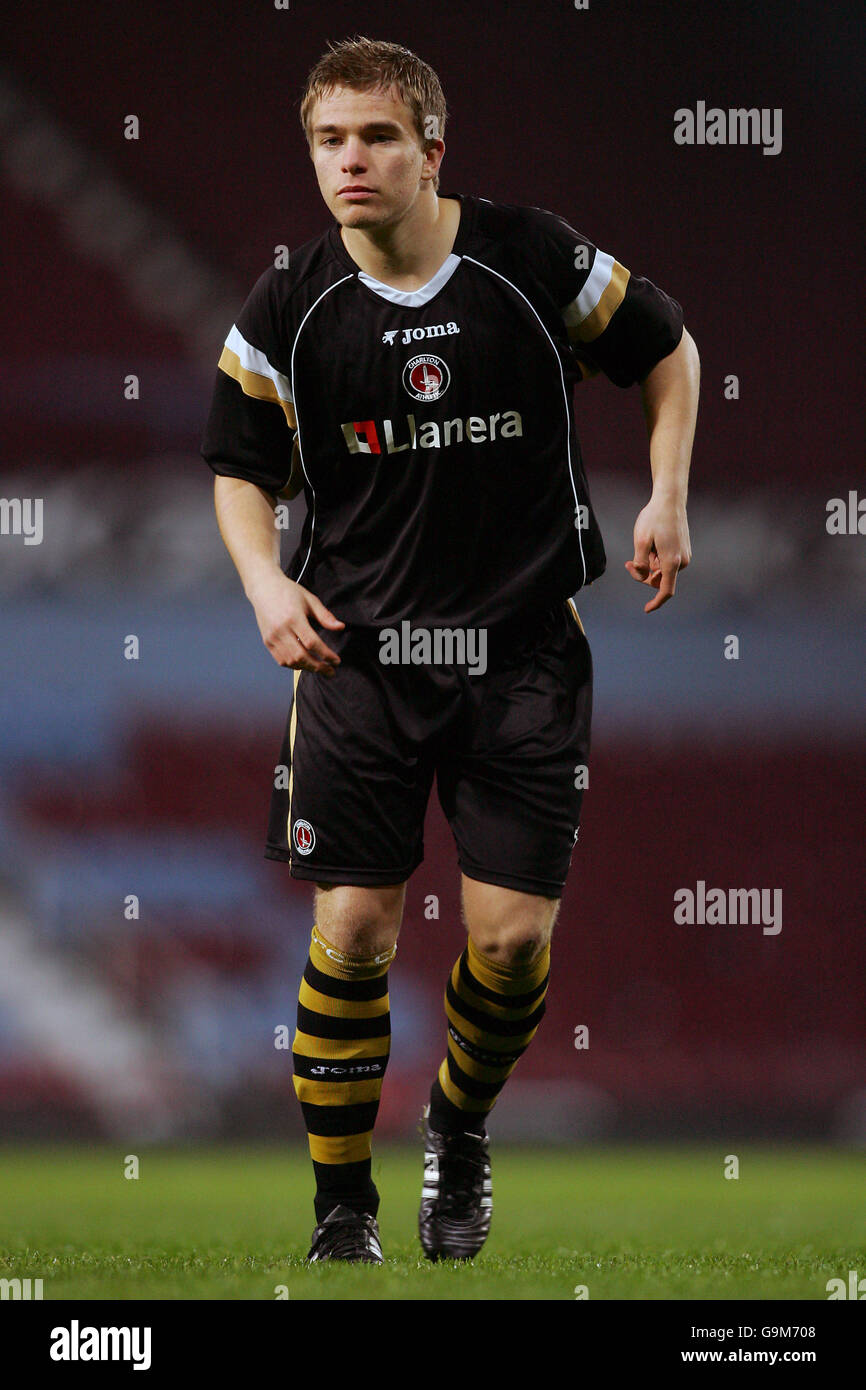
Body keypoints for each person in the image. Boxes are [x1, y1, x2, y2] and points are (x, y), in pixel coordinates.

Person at [201, 35, 699, 1265]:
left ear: (432, 149)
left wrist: (665, 496)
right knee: (356, 925)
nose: (349, 161)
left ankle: (458, 1128)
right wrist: (264, 580)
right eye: (328, 139)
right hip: (354, 662)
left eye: (374, 136)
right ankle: (340, 1210)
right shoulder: (287, 304)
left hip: (522, 653)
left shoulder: (531, 260)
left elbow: (669, 352)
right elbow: (237, 467)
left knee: (509, 940)